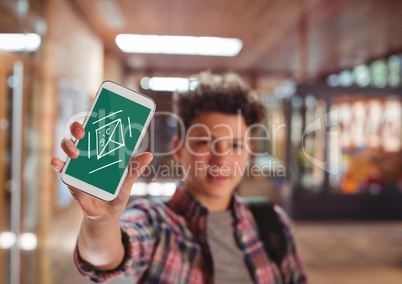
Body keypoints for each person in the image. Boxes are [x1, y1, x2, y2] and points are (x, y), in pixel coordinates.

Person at [51, 71, 307, 283]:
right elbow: (106, 257)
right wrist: (100, 221)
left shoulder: (272, 223)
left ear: (250, 153)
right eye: (205, 142)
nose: (221, 159)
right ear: (178, 149)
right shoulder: (154, 223)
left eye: (236, 146)